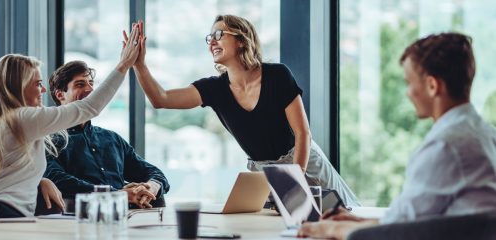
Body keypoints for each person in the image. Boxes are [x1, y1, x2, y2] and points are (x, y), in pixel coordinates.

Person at [128, 15, 360, 206]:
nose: (212, 42)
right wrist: (139, 65)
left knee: (345, 215)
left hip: (303, 162)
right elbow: (161, 99)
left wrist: (293, 179)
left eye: (219, 35)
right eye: (209, 38)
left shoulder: (278, 75)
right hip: (263, 174)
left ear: (241, 39)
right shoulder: (214, 89)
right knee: (277, 230)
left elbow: (303, 134)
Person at [297, 32, 496, 239]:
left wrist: (332, 229)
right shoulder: (485, 135)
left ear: (432, 86)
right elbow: (412, 219)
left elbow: (399, 232)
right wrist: (360, 222)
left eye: (409, 83)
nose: (407, 93)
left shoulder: (446, 145)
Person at [0, 23, 142, 220]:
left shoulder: (3, 121)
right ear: (18, 86)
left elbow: (9, 171)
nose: (42, 90)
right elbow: (89, 107)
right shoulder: (22, 118)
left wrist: (41, 180)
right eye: (37, 84)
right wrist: (123, 65)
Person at [44, 60, 170, 209]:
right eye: (80, 84)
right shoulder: (49, 141)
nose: (91, 90)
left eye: (91, 83)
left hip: (128, 219)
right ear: (60, 94)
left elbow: (155, 173)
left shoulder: (112, 138)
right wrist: (117, 194)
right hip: (81, 219)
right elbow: (59, 180)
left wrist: (151, 187)